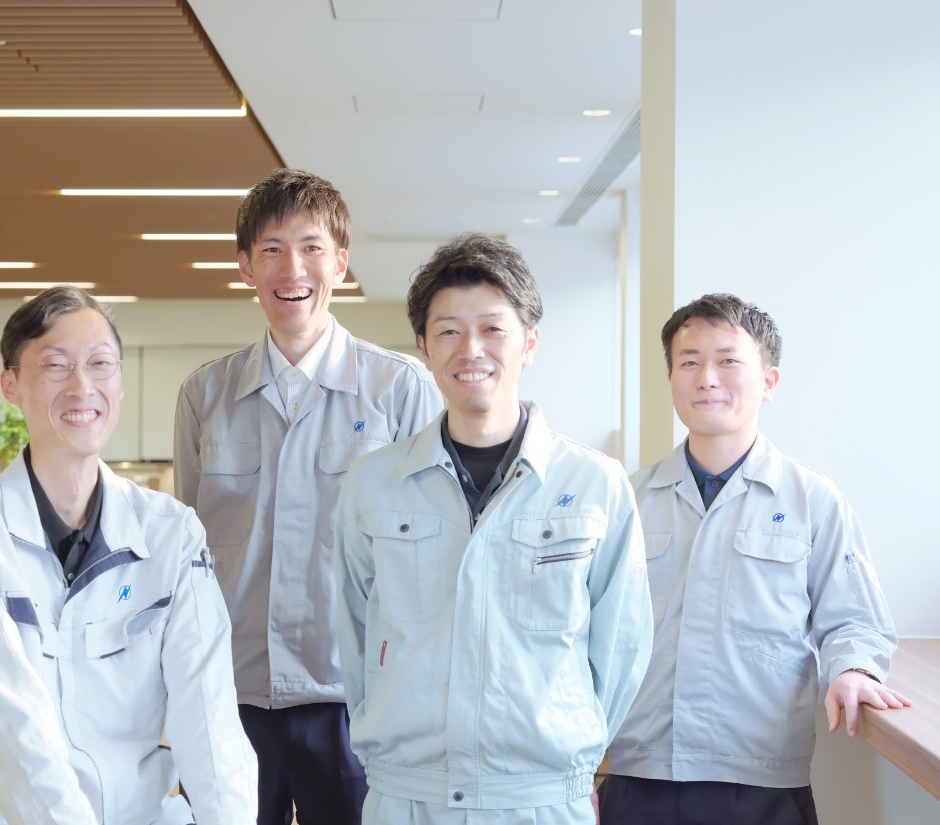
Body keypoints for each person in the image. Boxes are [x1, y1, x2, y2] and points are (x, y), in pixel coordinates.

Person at [334, 234, 653, 824]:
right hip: (407, 798)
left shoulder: (595, 484)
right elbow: (353, 637)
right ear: (423, 348)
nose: (470, 349)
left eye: (492, 329)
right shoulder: (373, 483)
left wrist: (564, 761)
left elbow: (622, 648)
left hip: (540, 801)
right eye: (448, 331)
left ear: (529, 342)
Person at [0, 287, 255, 825]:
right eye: (55, 365)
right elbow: (15, 744)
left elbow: (210, 721)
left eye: (100, 364)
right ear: (10, 384)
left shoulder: (171, 532)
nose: (82, 386)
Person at [173, 168, 443, 824]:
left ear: (340, 263)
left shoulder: (398, 390)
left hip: (355, 698)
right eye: (271, 249)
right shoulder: (204, 395)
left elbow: (434, 560)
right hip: (232, 696)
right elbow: (187, 557)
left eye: (311, 247)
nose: (292, 268)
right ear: (245, 266)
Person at [600, 293, 911, 825]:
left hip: (761, 779)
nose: (707, 378)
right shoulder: (628, 498)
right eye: (689, 362)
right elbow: (591, 634)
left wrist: (854, 669)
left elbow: (855, 620)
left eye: (728, 360)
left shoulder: (813, 500)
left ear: (768, 382)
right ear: (671, 379)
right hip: (637, 773)